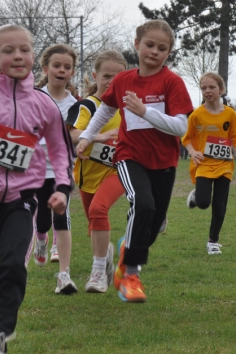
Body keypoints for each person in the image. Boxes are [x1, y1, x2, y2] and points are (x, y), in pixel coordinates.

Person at [76, 19, 194, 303]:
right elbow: (105, 112)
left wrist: (144, 111)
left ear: (168, 53)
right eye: (149, 45)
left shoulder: (172, 82)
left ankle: (129, 246)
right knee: (143, 203)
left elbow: (180, 128)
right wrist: (87, 137)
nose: (154, 51)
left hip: (164, 162)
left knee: (151, 227)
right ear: (137, 45)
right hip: (130, 157)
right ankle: (129, 273)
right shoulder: (123, 80)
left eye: (162, 48)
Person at [0, 25, 73, 352]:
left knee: (12, 267)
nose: (17, 55)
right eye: (8, 51)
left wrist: (63, 189)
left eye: (24, 49)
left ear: (33, 56)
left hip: (21, 202)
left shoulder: (44, 104)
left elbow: (62, 150)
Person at [66, 50, 127, 293]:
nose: (111, 81)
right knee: (94, 222)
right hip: (87, 173)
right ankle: (107, 253)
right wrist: (95, 136)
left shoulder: (128, 108)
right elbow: (71, 134)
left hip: (118, 170)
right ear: (95, 75)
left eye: (117, 77)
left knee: (98, 209)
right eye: (106, 75)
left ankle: (98, 273)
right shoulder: (88, 106)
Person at [183, 72, 236, 255]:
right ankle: (197, 195)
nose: (208, 91)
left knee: (220, 205)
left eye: (212, 87)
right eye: (204, 88)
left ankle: (213, 241)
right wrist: (192, 151)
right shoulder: (196, 115)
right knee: (204, 202)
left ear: (221, 89)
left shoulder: (230, 114)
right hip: (203, 164)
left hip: (225, 165)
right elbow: (186, 138)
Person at [32, 44, 78, 295]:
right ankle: (41, 240)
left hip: (61, 170)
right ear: (45, 67)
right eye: (57, 65)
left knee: (61, 217)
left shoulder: (75, 105)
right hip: (34, 168)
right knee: (41, 217)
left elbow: (77, 134)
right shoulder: (32, 96)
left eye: (67, 67)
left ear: (72, 71)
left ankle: (64, 276)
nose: (61, 70)